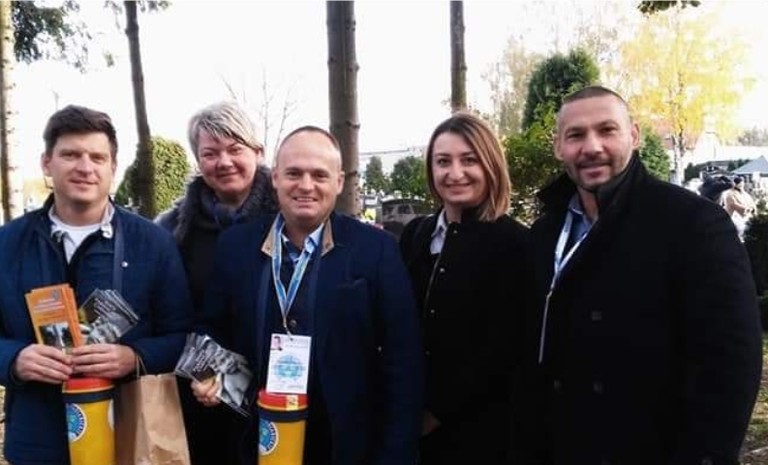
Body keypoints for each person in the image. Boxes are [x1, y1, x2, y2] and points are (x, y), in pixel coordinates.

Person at [522, 86, 762, 464]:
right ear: (558, 147)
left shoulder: (692, 223)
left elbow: (731, 363)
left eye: (607, 130)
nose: (592, 147)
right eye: (576, 135)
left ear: (634, 136)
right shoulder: (545, 233)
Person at [193, 126, 423, 465]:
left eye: (319, 175)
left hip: (346, 447)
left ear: (339, 182)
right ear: (275, 178)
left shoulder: (376, 250)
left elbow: (402, 361)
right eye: (293, 173)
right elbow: (210, 329)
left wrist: (395, 455)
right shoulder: (235, 246)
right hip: (257, 440)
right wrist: (207, 372)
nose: (305, 185)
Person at [0, 105, 192, 465]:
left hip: (129, 440)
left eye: (97, 157)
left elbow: (182, 337)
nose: (85, 167)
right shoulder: (7, 243)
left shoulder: (152, 243)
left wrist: (135, 357)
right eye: (71, 155)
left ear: (113, 168)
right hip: (37, 443)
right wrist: (14, 359)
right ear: (46, 163)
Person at [398, 112, 529, 465]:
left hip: (481, 432)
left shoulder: (516, 244)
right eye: (443, 161)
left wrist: (437, 410)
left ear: (490, 165)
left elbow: (503, 345)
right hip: (409, 422)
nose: (455, 173)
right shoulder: (416, 235)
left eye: (469, 160)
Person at [156, 101, 277, 465]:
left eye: (235, 149)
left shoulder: (288, 219)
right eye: (210, 153)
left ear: (258, 152)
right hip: (199, 391)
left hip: (275, 390)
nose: (224, 162)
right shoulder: (173, 230)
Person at [722, 176, 756, 241]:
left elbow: (752, 203)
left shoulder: (745, 194)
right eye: (740, 183)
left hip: (747, 217)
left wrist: (752, 208)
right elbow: (734, 204)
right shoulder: (728, 193)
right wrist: (747, 209)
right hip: (734, 218)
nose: (742, 185)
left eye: (742, 183)